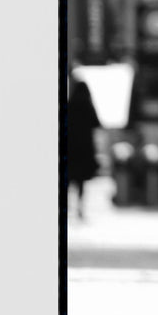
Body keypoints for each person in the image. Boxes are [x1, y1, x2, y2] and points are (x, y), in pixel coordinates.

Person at [67, 73, 102, 220]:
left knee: (68, 178)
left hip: (71, 146)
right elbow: (97, 124)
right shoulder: (88, 106)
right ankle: (80, 208)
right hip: (85, 148)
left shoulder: (70, 105)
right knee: (81, 181)